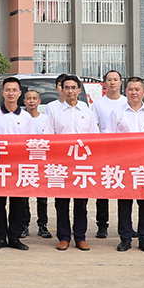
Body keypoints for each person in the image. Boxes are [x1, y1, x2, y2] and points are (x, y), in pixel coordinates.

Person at [106, 77, 144, 252]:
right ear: (125, 91)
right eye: (130, 89)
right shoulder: (117, 113)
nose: (134, 92)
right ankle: (125, 238)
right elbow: (109, 139)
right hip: (123, 165)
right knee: (124, 204)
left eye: (137, 89)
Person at [44, 75, 99, 251]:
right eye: (66, 87)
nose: (70, 91)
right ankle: (64, 237)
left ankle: (80, 237)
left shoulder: (87, 112)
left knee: (81, 203)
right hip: (61, 164)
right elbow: (48, 137)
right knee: (61, 202)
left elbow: (94, 138)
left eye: (73, 87)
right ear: (62, 90)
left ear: (79, 90)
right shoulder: (55, 112)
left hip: (82, 164)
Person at [0, 77, 34, 251]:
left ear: (19, 93)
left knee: (17, 204)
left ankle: (14, 238)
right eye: (8, 90)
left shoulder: (26, 117)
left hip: (19, 167)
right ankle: (0, 237)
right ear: (3, 92)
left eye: (14, 90)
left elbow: (30, 143)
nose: (11, 93)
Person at [90, 70, 126, 239]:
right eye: (109, 80)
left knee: (123, 189)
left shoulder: (126, 102)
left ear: (120, 83)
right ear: (104, 83)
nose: (112, 82)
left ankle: (125, 225)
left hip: (124, 152)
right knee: (103, 190)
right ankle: (102, 225)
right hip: (104, 151)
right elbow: (94, 127)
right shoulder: (98, 104)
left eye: (115, 79)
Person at [21, 89, 52, 239]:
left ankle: (42, 226)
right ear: (24, 101)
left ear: (39, 101)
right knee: (24, 198)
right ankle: (24, 225)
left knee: (42, 198)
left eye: (34, 98)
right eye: (28, 98)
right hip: (24, 162)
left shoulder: (45, 119)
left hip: (42, 162)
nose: (31, 101)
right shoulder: (21, 118)